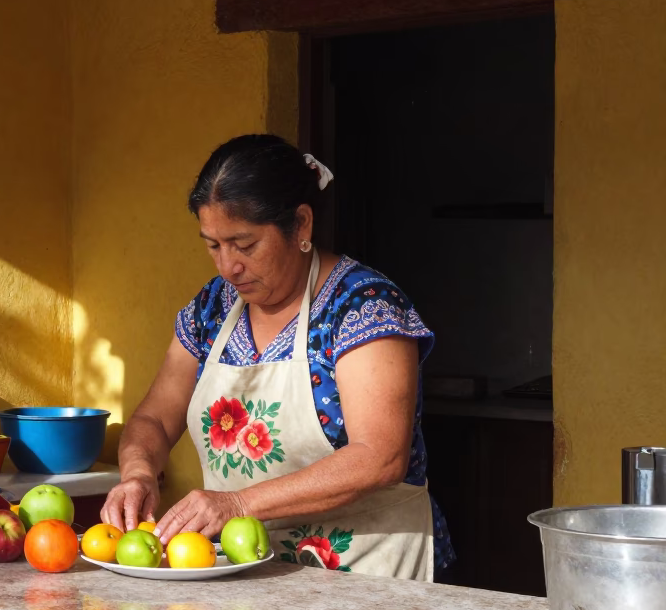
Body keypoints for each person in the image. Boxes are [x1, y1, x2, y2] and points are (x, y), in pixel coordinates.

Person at [101, 134, 454, 580]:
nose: (227, 266)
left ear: (301, 226)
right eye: (213, 245)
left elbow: (379, 456)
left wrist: (236, 504)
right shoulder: (212, 308)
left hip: (370, 574)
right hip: (241, 572)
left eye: (244, 245)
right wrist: (138, 474)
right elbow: (154, 418)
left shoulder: (362, 305)